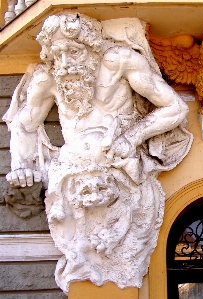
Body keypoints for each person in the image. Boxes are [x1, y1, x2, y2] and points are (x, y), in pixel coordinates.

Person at [3, 13, 192, 292]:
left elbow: (175, 108)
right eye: (58, 55)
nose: (66, 64)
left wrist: (132, 137)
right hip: (72, 175)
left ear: (92, 47)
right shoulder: (49, 76)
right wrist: (20, 163)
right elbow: (24, 123)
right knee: (82, 254)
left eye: (74, 51)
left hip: (119, 169)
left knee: (122, 248)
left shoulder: (119, 61)